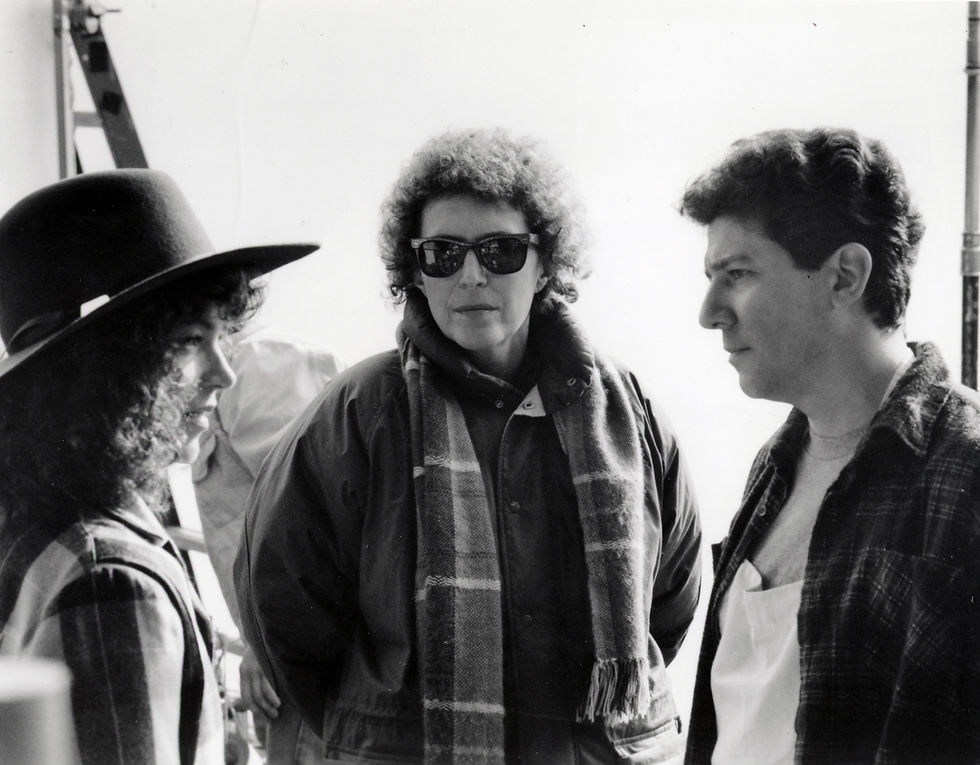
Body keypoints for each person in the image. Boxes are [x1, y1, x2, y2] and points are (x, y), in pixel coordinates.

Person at [235, 128, 702, 763]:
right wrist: (377, 731)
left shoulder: (628, 410)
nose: (473, 275)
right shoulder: (357, 414)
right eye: (443, 254)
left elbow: (671, 594)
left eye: (501, 251)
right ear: (415, 273)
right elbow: (283, 611)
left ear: (544, 266)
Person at [681, 127, 980, 763]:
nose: (709, 312)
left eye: (737, 274)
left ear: (845, 276)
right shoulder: (775, 465)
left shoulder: (969, 470)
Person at [0, 169, 317, 764]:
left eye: (222, 338)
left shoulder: (37, 527)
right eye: (191, 340)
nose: (223, 374)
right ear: (102, 366)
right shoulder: (112, 579)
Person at [191, 324, 342, 763]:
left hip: (308, 657)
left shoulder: (259, 364)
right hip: (289, 657)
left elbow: (311, 507)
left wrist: (272, 642)